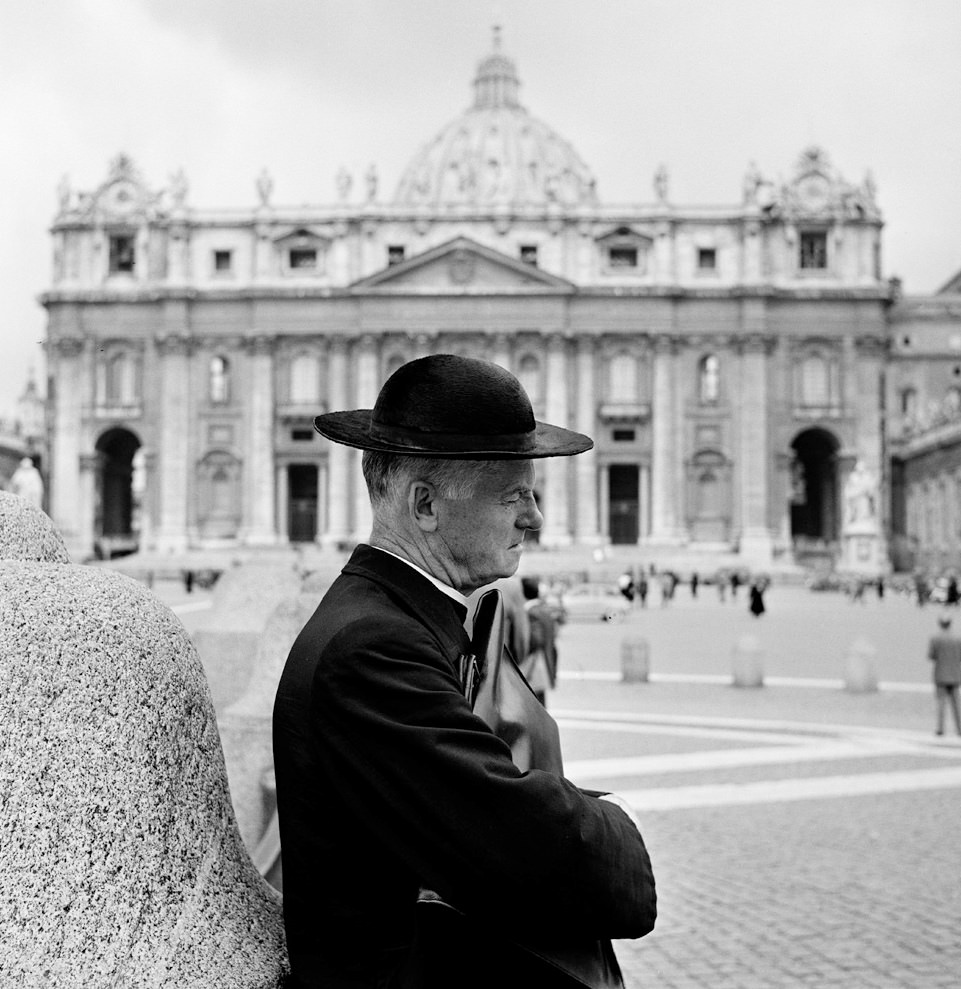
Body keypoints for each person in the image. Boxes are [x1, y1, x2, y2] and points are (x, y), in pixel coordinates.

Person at [273, 355, 656, 989]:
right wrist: (619, 825)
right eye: (515, 496)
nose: (533, 517)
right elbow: (523, 844)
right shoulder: (373, 648)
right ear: (425, 504)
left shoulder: (397, 618)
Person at [520, 576, 558, 706]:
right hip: (545, 661)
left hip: (534, 664)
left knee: (532, 703)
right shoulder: (544, 610)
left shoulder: (531, 612)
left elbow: (536, 639)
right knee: (540, 702)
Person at [927, 614, 961, 736]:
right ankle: (959, 728)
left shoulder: (936, 638)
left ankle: (940, 729)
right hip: (955, 675)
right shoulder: (958, 638)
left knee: (941, 704)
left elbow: (931, 655)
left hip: (941, 675)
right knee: (957, 705)